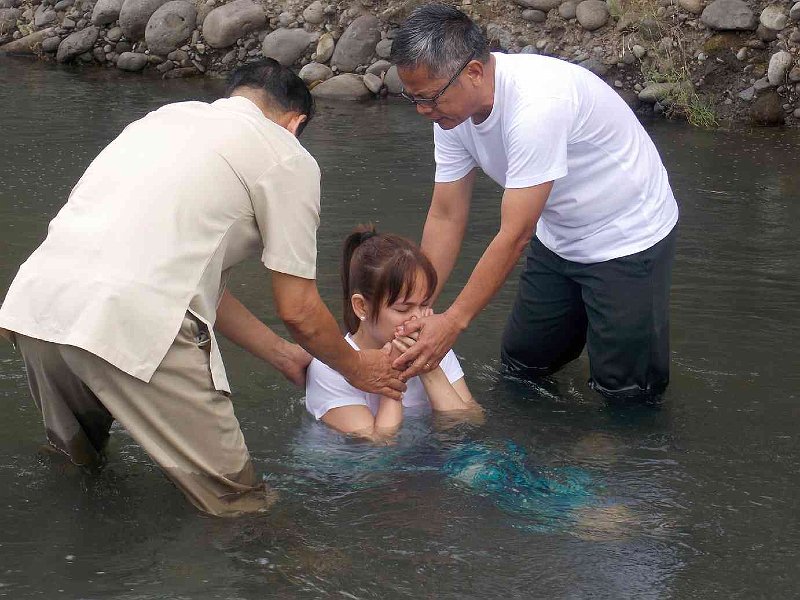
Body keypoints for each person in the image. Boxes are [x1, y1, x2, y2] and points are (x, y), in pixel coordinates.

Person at [0, 59, 405, 517]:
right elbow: (299, 309)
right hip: (132, 317)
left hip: (37, 306)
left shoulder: (159, 122)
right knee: (240, 507)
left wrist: (285, 355)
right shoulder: (287, 155)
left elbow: (182, 278)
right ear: (297, 122)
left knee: (77, 469)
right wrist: (356, 368)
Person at [388, 5, 679, 404]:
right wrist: (417, 306)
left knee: (626, 388)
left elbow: (515, 235)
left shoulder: (537, 105)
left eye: (430, 98)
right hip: (558, 231)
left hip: (626, 235)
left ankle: (622, 451)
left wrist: (452, 323)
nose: (424, 111)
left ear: (473, 72)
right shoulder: (450, 115)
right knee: (523, 366)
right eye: (414, 99)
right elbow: (446, 214)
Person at [305, 225, 481, 441]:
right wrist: (394, 375)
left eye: (424, 305)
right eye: (403, 309)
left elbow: (470, 424)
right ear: (361, 307)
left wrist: (428, 367)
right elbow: (381, 452)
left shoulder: (433, 342)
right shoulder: (331, 369)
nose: (417, 319)